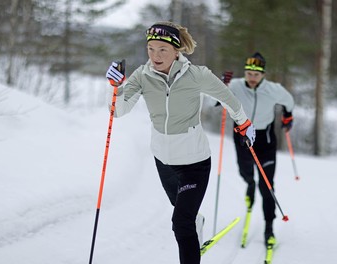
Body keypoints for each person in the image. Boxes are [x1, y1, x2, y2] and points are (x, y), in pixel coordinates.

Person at [105, 21, 255, 264]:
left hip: (194, 163)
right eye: (151, 49)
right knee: (185, 215)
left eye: (162, 49)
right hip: (163, 161)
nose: (155, 55)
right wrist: (115, 88)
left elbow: (229, 99)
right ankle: (197, 222)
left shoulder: (197, 75)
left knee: (180, 223)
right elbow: (117, 111)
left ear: (177, 51)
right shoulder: (142, 76)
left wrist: (244, 124)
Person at [227, 52, 294, 246]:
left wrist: (288, 115)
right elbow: (215, 94)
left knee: (267, 185)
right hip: (242, 136)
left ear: (263, 74)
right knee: (245, 171)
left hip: (265, 139)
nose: (252, 77)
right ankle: (249, 184)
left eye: (256, 74)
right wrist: (222, 87)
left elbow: (289, 101)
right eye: (249, 73)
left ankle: (269, 227)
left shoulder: (274, 89)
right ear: (245, 72)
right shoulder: (236, 85)